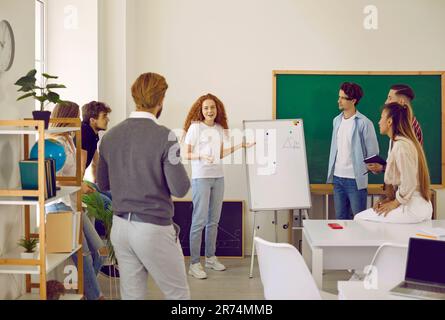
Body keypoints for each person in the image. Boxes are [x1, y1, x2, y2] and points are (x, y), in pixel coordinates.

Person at [97, 72, 191, 300]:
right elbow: (180, 188)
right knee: (178, 295)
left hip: (120, 228)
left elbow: (103, 183)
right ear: (161, 101)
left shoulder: (109, 136)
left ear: (134, 97)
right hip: (153, 228)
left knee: (132, 295)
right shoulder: (165, 136)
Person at [183, 93, 255, 279]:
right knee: (198, 221)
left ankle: (210, 258)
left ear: (217, 110)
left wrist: (241, 145)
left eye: (212, 108)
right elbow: (186, 153)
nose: (209, 111)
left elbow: (220, 153)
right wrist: (201, 156)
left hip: (218, 178)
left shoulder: (219, 128)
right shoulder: (195, 127)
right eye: (206, 108)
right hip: (201, 178)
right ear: (201, 109)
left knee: (213, 220)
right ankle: (194, 264)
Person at [45, 101, 105, 300]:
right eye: (75, 116)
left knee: (99, 252)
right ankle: (96, 296)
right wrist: (79, 183)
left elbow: (77, 173)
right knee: (85, 257)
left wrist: (81, 182)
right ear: (65, 118)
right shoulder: (53, 143)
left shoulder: (70, 140)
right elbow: (53, 181)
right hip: (60, 206)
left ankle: (88, 292)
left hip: (74, 204)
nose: (79, 120)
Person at [355, 102, 432, 223]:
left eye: (381, 118)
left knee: (359, 219)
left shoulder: (401, 146)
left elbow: (409, 182)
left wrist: (395, 203)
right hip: (416, 205)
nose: (379, 122)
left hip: (412, 208)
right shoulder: (401, 143)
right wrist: (389, 200)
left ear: (390, 121)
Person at [327, 82, 379, 220]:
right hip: (337, 178)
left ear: (354, 100)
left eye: (343, 98)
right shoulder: (336, 121)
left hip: (355, 180)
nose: (339, 100)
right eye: (339, 97)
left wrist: (372, 168)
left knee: (359, 220)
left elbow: (373, 153)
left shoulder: (364, 123)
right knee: (340, 219)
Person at [366, 84, 423, 174]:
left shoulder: (409, 128)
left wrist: (382, 168)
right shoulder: (399, 125)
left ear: (401, 101)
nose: (386, 102)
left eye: (390, 98)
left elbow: (406, 166)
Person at [81, 101, 112, 182]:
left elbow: (96, 163)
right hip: (74, 184)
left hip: (78, 182)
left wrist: (98, 184)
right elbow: (81, 167)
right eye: (104, 116)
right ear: (92, 120)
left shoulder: (93, 133)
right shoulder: (84, 132)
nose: (108, 119)